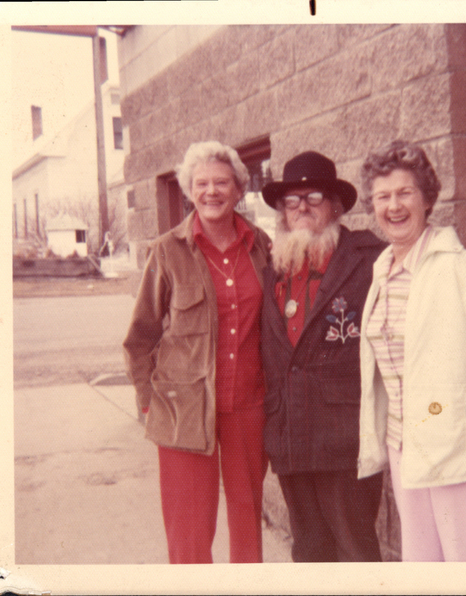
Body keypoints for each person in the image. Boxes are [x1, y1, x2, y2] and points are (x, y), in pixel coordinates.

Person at [357, 140, 466, 562]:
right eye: (383, 197)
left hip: (461, 450)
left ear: (427, 198)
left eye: (405, 193)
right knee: (423, 569)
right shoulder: (384, 269)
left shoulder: (463, 269)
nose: (394, 206)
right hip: (406, 448)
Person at [123, 141, 270, 564]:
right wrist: (149, 402)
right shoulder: (167, 251)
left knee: (247, 526)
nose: (211, 191)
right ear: (188, 189)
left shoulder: (260, 245)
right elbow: (140, 336)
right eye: (201, 183)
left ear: (239, 189)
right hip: (182, 409)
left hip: (247, 405)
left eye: (221, 182)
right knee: (188, 533)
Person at [260, 151, 387, 562]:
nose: (302, 208)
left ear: (335, 205)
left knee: (355, 547)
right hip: (289, 430)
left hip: (343, 434)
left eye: (314, 197)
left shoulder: (369, 259)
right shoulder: (270, 266)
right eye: (292, 201)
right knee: (309, 549)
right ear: (281, 212)